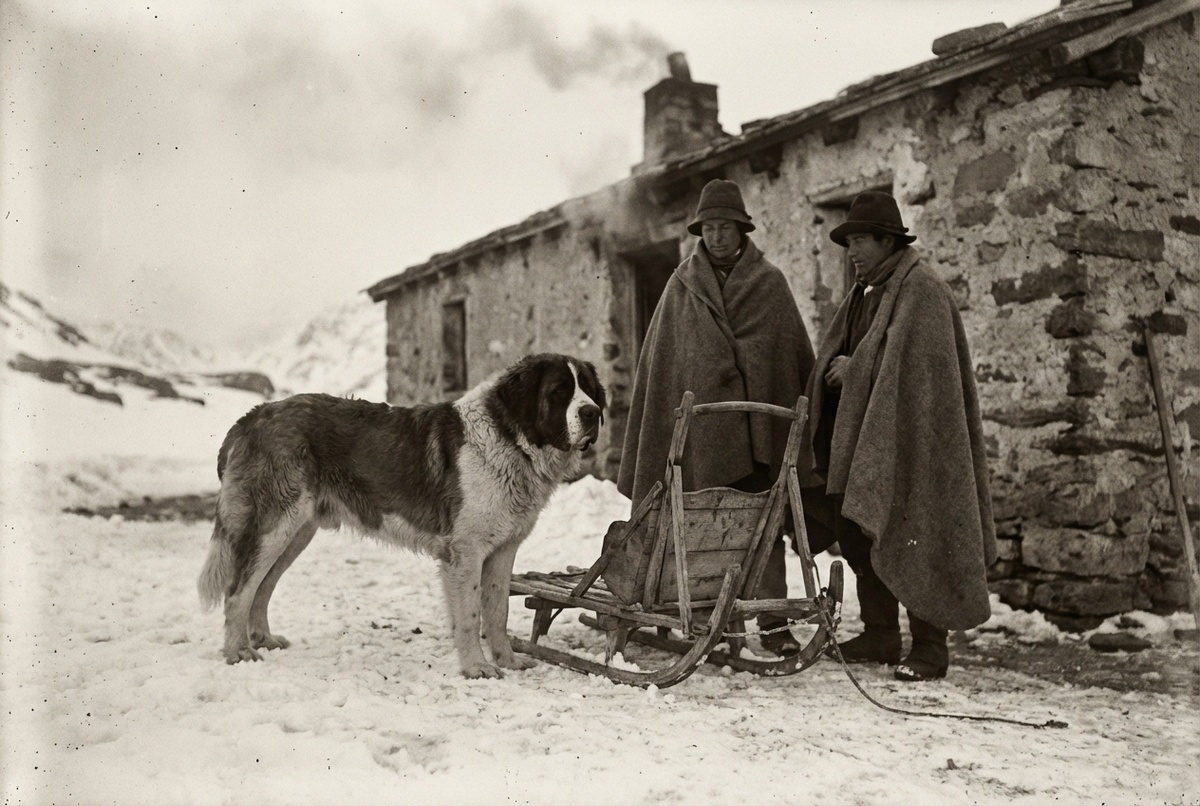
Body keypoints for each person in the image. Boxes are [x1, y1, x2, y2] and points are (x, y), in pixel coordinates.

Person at [799, 190, 997, 681]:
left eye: (860, 240)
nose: (852, 251)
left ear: (888, 240)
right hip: (871, 442)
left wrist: (855, 368)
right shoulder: (868, 291)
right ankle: (882, 633)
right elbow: (853, 352)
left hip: (917, 445)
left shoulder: (921, 290)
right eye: (848, 242)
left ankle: (930, 647)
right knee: (861, 529)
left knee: (918, 527)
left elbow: (918, 373)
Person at [617, 178, 816, 656]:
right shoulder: (680, 286)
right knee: (699, 531)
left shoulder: (770, 284)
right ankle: (706, 619)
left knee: (764, 529)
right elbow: (662, 364)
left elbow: (790, 360)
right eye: (708, 228)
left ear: (743, 229)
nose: (717, 237)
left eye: (726, 227)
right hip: (701, 439)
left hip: (757, 435)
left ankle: (772, 624)